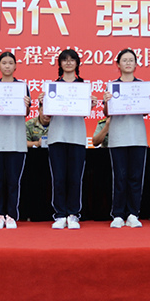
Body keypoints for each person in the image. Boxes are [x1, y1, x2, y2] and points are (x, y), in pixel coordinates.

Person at [38, 49, 97, 229]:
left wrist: (90, 104)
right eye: (65, 60)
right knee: (59, 177)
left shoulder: (83, 87)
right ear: (60, 64)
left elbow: (84, 112)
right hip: (57, 136)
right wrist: (43, 103)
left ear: (77, 63)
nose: (69, 63)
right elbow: (45, 117)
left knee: (75, 177)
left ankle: (73, 214)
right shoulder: (53, 87)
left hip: (77, 137)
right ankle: (59, 214)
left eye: (72, 60)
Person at [104, 49, 150, 228]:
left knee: (135, 177)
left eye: (131, 60)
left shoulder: (142, 86)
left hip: (138, 137)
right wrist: (107, 101)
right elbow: (106, 112)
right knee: (120, 177)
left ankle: (133, 214)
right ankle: (118, 214)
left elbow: (146, 112)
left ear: (135, 64)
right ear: (118, 64)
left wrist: (149, 100)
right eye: (124, 60)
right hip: (118, 137)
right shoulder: (112, 86)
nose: (127, 63)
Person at [0, 52, 31, 229]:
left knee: (13, 181)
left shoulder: (22, 87)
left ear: (15, 66)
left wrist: (26, 105)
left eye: (10, 63)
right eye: (4, 63)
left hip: (15, 139)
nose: (7, 66)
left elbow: (26, 112)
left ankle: (11, 215)